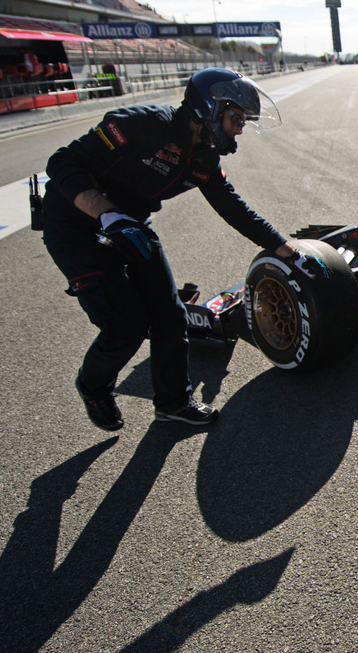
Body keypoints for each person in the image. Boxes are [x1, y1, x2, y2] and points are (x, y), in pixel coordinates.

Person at [42, 67, 325, 431]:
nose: (240, 128)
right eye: (236, 118)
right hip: (74, 227)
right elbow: (61, 162)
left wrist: (285, 247)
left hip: (131, 226)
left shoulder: (204, 156)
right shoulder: (140, 124)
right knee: (126, 325)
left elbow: (233, 207)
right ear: (210, 107)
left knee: (170, 314)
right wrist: (106, 213)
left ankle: (173, 403)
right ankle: (92, 385)